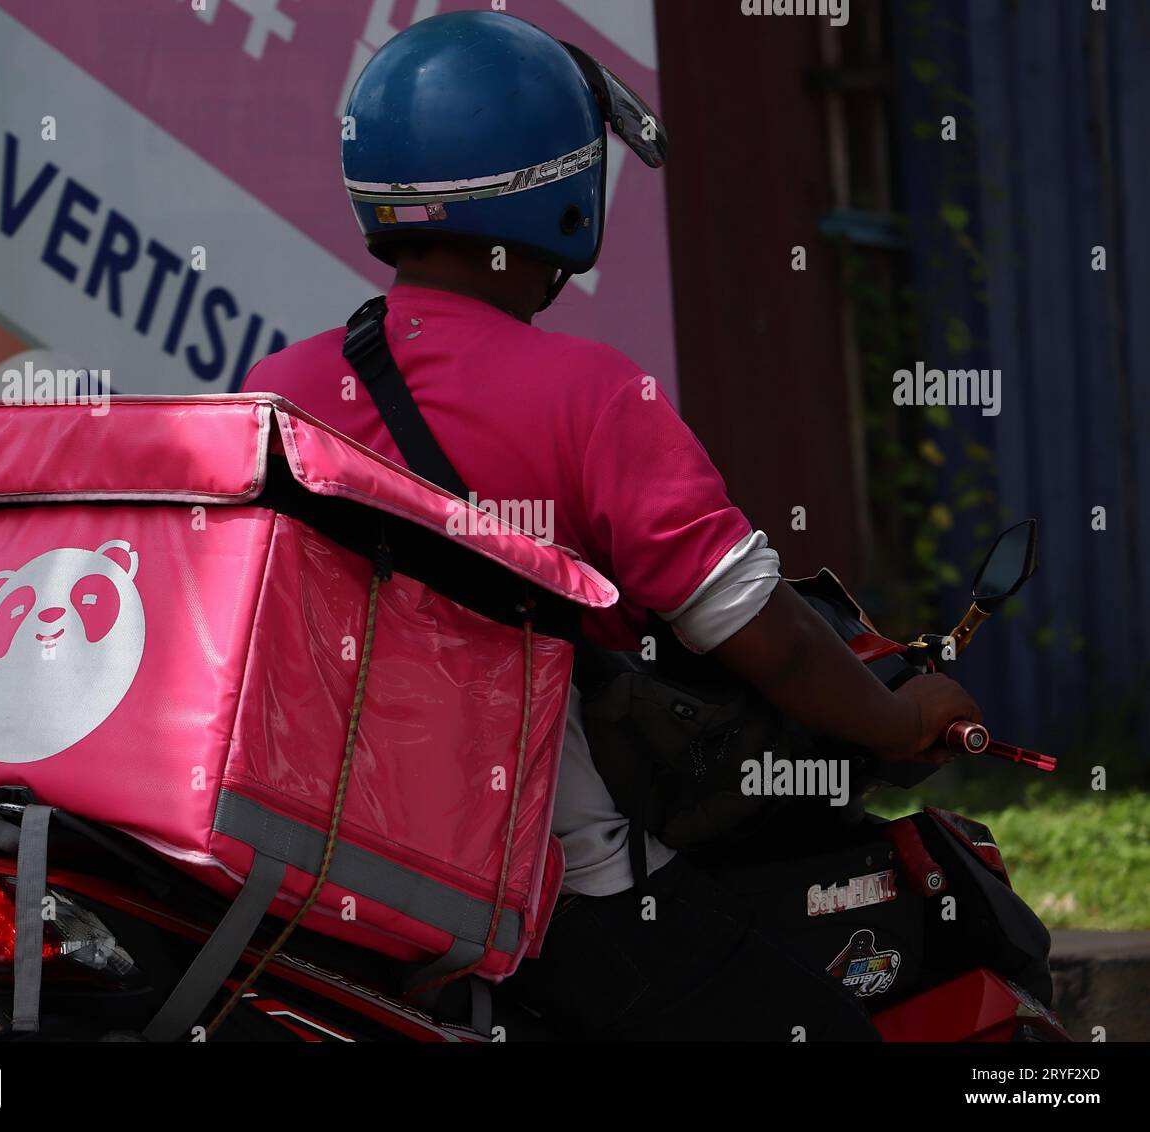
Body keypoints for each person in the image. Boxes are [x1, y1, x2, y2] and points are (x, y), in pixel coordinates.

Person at [244, 10, 980, 1041]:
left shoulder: (279, 386)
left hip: (326, 883)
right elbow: (755, 628)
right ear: (561, 192)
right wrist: (902, 721)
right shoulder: (586, 391)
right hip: (554, 896)